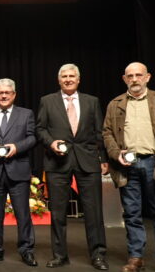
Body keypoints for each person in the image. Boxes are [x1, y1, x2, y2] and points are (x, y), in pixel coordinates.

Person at [102, 62, 155, 272]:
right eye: (130, 76)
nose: (135, 79)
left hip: (154, 163)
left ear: (147, 77)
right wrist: (115, 153)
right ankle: (136, 257)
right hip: (127, 165)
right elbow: (107, 133)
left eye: (139, 75)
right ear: (124, 79)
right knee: (131, 213)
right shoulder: (115, 104)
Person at [35, 64, 109, 270]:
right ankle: (59, 255)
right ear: (59, 80)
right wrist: (51, 143)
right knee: (58, 213)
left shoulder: (92, 101)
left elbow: (99, 132)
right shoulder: (47, 101)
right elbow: (39, 128)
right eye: (64, 77)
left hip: (88, 161)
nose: (68, 79)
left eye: (72, 76)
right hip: (56, 162)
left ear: (78, 79)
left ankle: (98, 255)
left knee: (94, 211)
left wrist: (102, 158)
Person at [0, 78, 38, 266]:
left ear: (14, 94)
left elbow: (32, 137)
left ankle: (26, 250)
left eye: (7, 92)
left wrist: (16, 147)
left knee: (23, 214)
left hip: (18, 170)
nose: (3, 95)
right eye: (0, 93)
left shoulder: (26, 114)